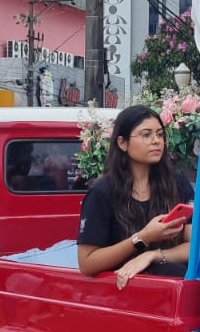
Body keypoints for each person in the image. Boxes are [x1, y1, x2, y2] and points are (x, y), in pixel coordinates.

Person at [77, 105, 193, 290]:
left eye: (160, 134)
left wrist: (153, 255)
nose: (156, 141)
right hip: (125, 292)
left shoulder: (178, 185)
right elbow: (87, 263)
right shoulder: (102, 192)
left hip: (173, 288)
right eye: (146, 135)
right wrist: (142, 238)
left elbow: (194, 247)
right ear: (122, 143)